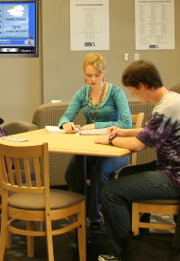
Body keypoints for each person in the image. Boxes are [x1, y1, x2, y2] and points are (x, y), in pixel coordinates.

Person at [95, 60, 180, 261]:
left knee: (110, 192)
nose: (133, 94)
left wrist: (110, 138)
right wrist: (123, 131)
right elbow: (150, 131)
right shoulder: (174, 99)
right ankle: (139, 241)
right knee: (124, 174)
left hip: (174, 177)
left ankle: (124, 252)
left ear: (142, 86)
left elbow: (137, 145)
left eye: (133, 90)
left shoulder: (165, 108)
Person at [58, 52, 132, 229]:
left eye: (97, 75)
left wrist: (97, 125)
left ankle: (93, 217)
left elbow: (127, 123)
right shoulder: (82, 94)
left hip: (115, 147)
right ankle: (90, 205)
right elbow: (65, 117)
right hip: (91, 147)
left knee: (100, 172)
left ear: (104, 72)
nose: (92, 79)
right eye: (89, 75)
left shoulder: (115, 92)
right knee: (72, 172)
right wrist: (66, 124)